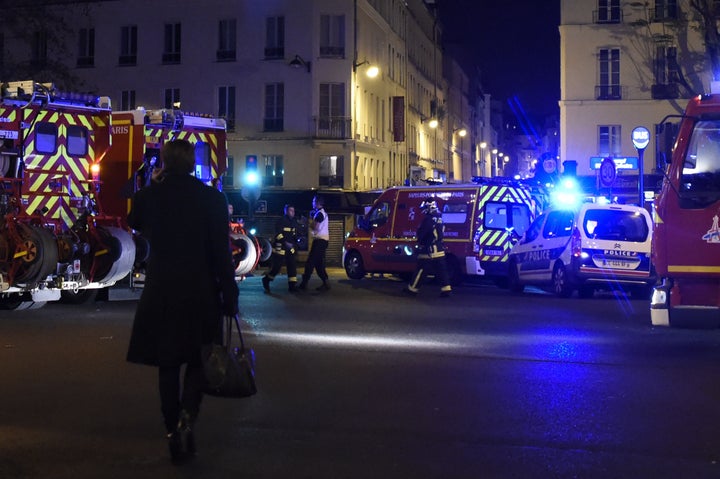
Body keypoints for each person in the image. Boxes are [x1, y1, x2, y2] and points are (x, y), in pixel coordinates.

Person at [125, 139, 239, 465]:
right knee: (198, 360)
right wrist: (229, 292)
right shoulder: (212, 200)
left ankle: (170, 427)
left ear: (163, 162)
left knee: (167, 363)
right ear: (192, 163)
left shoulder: (152, 197)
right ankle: (187, 416)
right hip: (200, 292)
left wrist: (153, 182)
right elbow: (221, 252)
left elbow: (133, 220)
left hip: (161, 290)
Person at [403, 199, 452, 298]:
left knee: (421, 269)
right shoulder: (439, 218)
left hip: (429, 249)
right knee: (441, 270)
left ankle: (412, 289)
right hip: (439, 248)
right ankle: (446, 289)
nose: (424, 210)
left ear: (429, 207)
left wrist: (420, 241)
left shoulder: (428, 219)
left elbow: (423, 233)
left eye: (425, 208)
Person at [262, 203, 300, 293]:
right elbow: (278, 234)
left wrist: (294, 245)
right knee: (277, 267)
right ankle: (266, 280)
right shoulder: (281, 221)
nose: (293, 212)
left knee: (292, 267)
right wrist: (285, 243)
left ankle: (292, 286)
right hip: (281, 247)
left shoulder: (294, 222)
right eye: (291, 210)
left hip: (290, 248)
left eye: (293, 211)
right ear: (286, 211)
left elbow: (295, 235)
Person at [299, 195, 330, 291]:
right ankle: (326, 283)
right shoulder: (321, 213)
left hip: (320, 241)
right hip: (322, 241)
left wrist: (306, 222)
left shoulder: (319, 214)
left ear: (317, 203)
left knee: (310, 262)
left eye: (313, 201)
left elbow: (315, 227)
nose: (312, 203)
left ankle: (304, 284)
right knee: (318, 264)